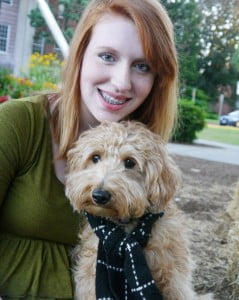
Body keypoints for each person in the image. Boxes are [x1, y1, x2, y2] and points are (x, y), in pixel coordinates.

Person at [0, 0, 178, 298]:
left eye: (142, 66)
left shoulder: (145, 156)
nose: (121, 82)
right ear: (79, 54)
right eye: (107, 56)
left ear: (157, 79)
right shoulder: (18, 124)